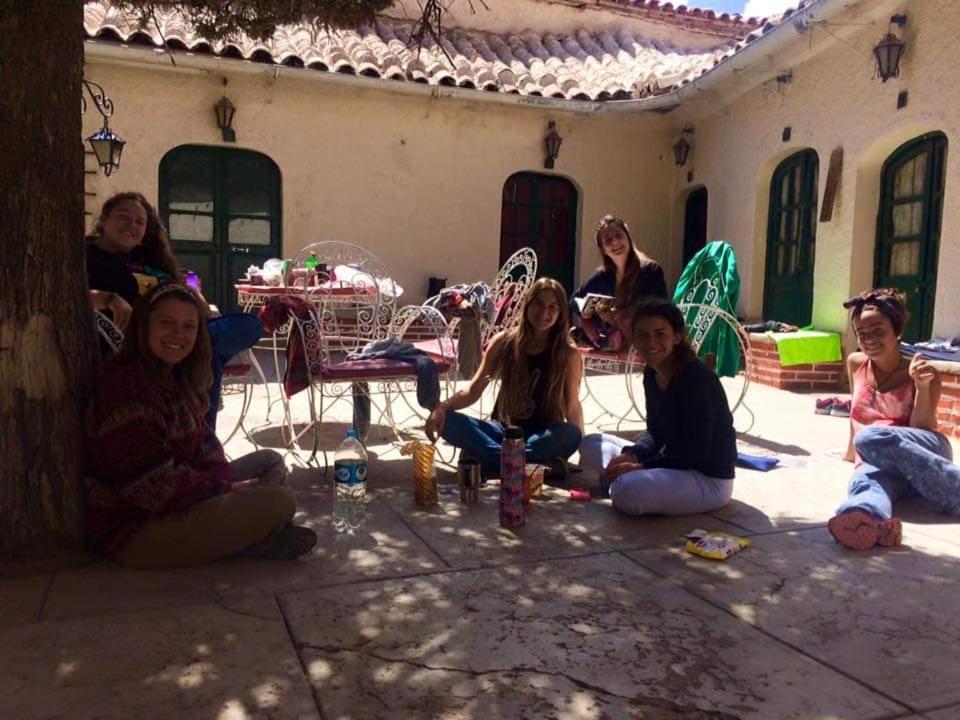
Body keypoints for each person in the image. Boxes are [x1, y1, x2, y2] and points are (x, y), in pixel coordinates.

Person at [85, 283, 317, 569]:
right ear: (144, 327)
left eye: (188, 327)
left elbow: (204, 445)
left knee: (269, 461)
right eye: (166, 324)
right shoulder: (127, 386)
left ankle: (245, 536)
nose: (177, 335)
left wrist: (224, 484)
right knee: (279, 501)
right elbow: (151, 488)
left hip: (184, 498)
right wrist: (221, 489)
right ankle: (249, 537)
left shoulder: (171, 376)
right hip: (138, 528)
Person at [86, 192, 262, 431]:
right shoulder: (86, 256)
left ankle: (198, 436)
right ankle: (202, 437)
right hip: (139, 339)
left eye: (140, 222)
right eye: (123, 217)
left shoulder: (148, 259)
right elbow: (64, 296)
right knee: (209, 347)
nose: (132, 225)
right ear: (104, 220)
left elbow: (177, 285)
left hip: (178, 329)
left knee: (250, 325)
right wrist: (108, 298)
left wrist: (191, 293)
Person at [827, 289, 960, 550]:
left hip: (926, 450)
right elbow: (858, 413)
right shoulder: (856, 363)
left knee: (871, 437)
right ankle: (866, 519)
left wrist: (921, 387)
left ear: (897, 330)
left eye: (878, 331)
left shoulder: (924, 370)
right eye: (862, 334)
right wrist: (852, 455)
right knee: (865, 479)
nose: (869, 340)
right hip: (883, 462)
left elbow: (922, 428)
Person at [580, 301, 736, 515]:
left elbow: (696, 452)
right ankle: (617, 479)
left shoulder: (696, 379)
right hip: (674, 467)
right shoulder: (652, 375)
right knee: (591, 443)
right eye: (642, 335)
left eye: (660, 334)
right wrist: (632, 455)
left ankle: (618, 482)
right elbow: (656, 431)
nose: (651, 342)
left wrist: (641, 468)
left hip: (706, 478)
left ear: (677, 337)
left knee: (627, 491)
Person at [425, 278, 584, 475]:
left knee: (570, 434)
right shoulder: (504, 342)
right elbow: (473, 390)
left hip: (542, 436)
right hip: (501, 432)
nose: (544, 313)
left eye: (553, 307)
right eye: (538, 304)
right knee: (447, 421)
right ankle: (532, 467)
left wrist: (581, 449)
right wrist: (442, 408)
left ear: (561, 314)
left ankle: (492, 459)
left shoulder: (567, 353)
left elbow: (573, 405)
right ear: (527, 305)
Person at [570, 215, 668, 352]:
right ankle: (600, 341)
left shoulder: (650, 269)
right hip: (612, 337)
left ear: (628, 237)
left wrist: (616, 314)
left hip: (646, 337)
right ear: (603, 249)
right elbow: (574, 299)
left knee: (625, 317)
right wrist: (587, 312)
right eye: (608, 240)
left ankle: (609, 341)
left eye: (618, 235)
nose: (615, 242)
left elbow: (660, 307)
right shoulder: (603, 275)